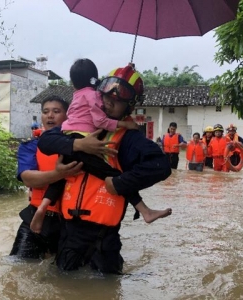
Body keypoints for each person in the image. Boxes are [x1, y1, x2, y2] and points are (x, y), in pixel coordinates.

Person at [37, 64, 172, 274]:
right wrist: (78, 145)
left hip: (103, 240)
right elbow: (46, 141)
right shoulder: (81, 128)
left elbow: (161, 166)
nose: (110, 100)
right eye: (107, 94)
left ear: (130, 106)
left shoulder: (129, 139)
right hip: (69, 236)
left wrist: (118, 183)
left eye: (119, 98)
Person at [10, 95, 84, 259]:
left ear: (67, 116)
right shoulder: (31, 146)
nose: (50, 115)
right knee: (17, 271)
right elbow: (28, 178)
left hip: (68, 224)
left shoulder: (79, 146)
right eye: (46, 112)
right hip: (35, 219)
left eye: (56, 111)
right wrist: (59, 173)